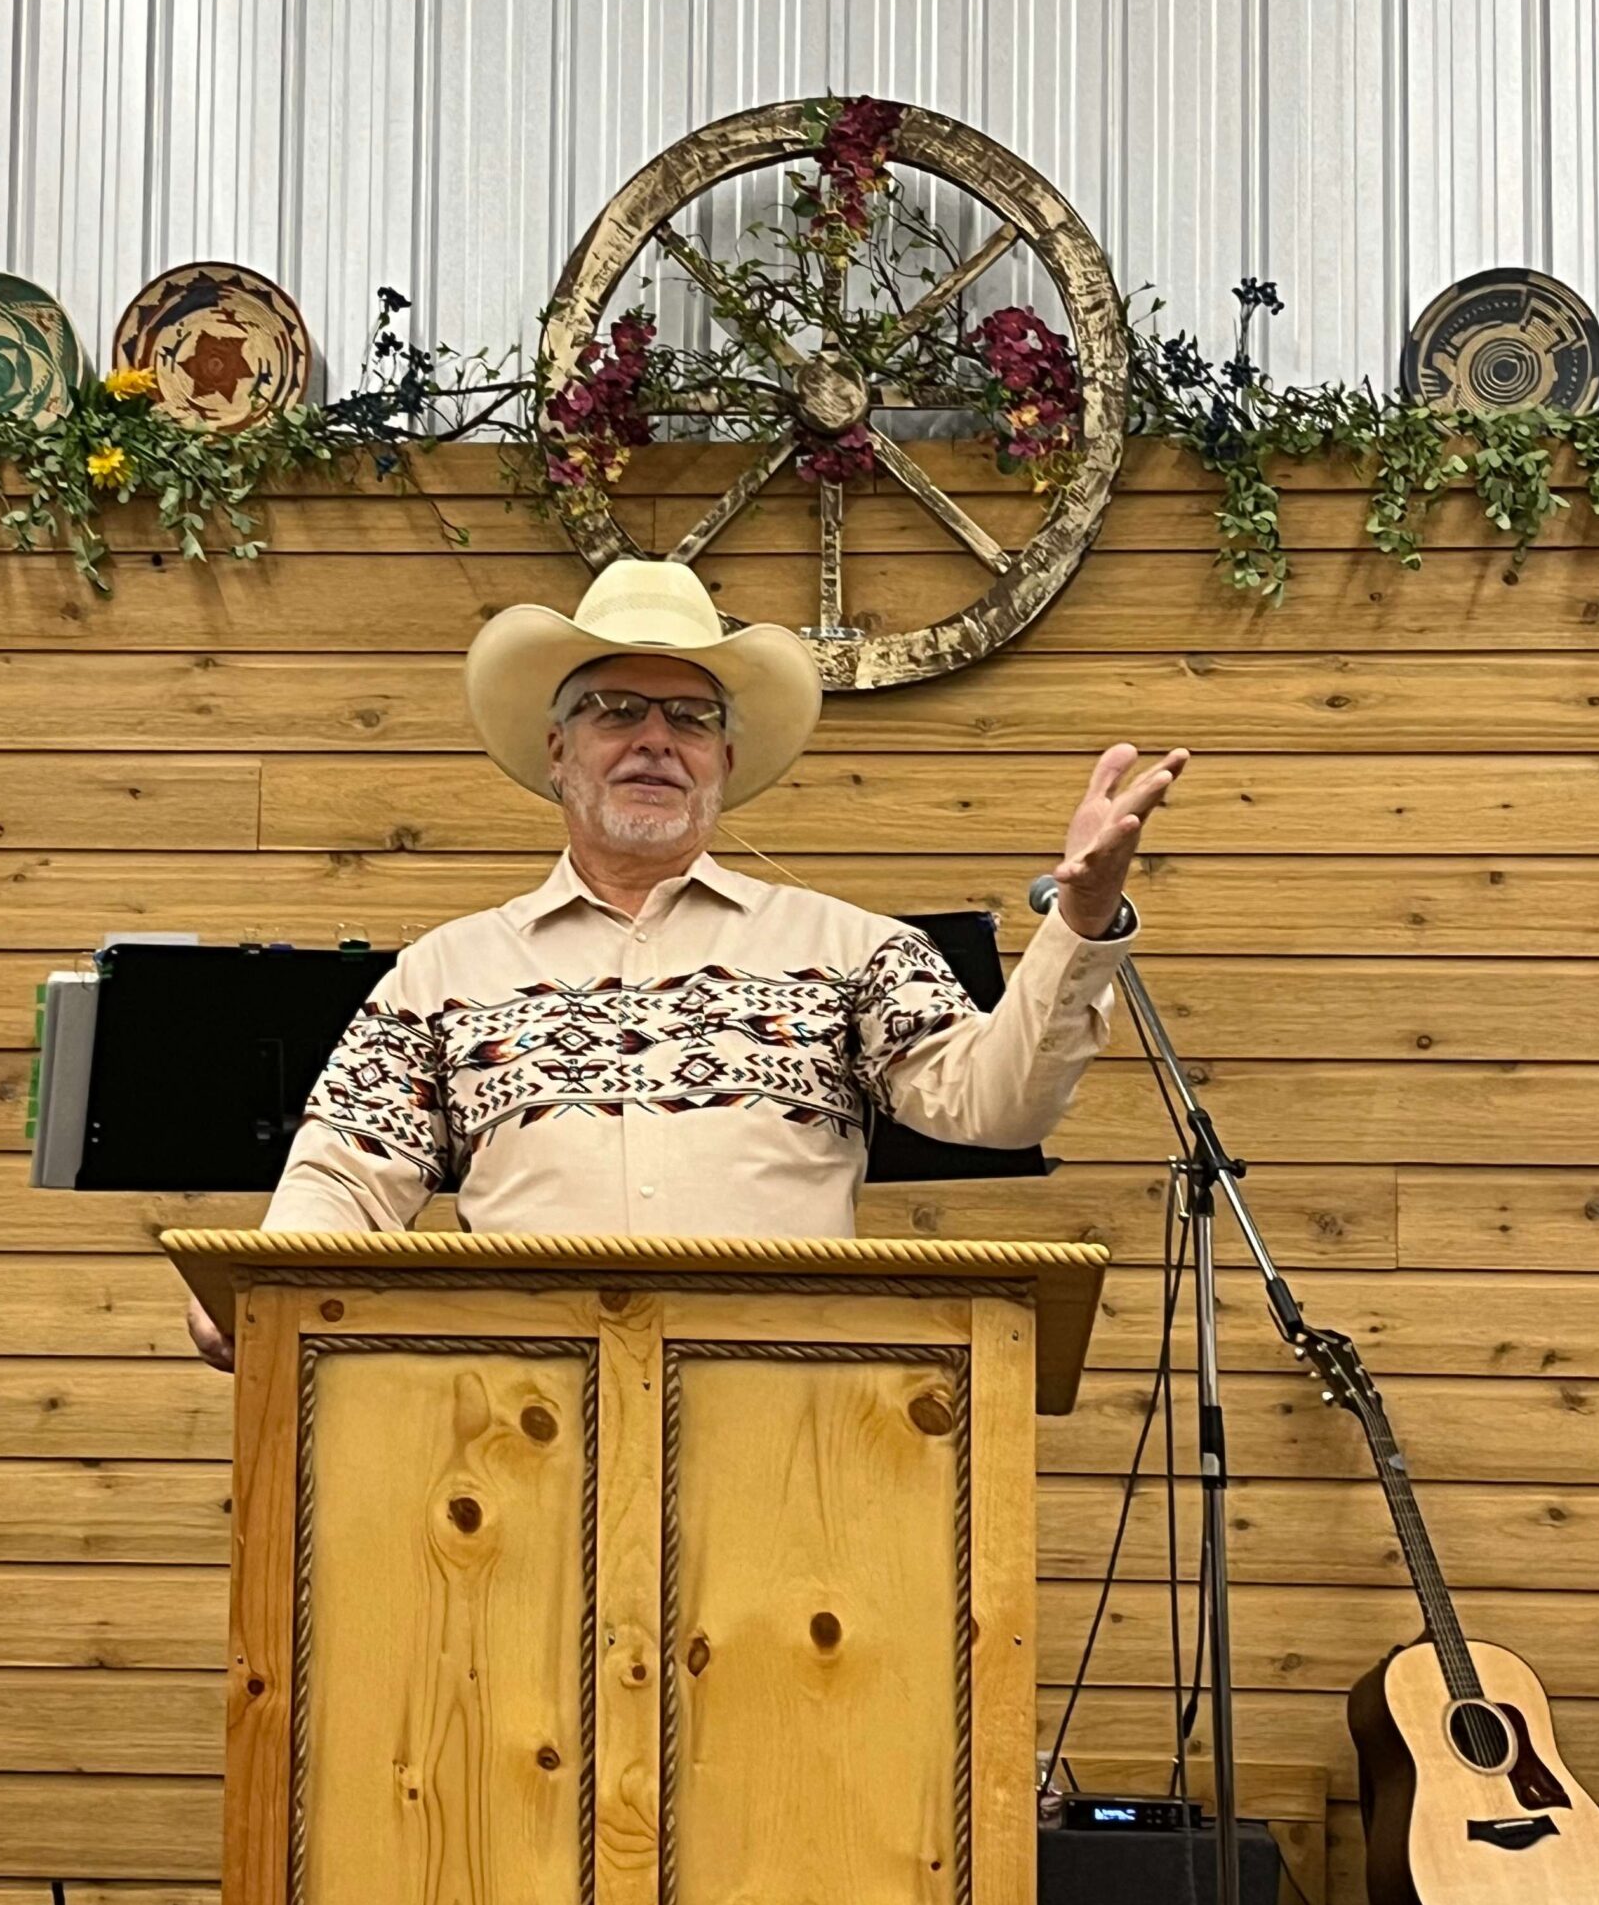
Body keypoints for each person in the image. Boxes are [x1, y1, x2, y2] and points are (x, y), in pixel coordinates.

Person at [188, 559, 1186, 1368]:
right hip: (515, 1435)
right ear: (557, 752)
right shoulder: (445, 973)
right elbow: (348, 1172)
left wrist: (1082, 921)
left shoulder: (852, 951)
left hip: (793, 1429)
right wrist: (265, 1284)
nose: (655, 741)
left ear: (726, 763)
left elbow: (998, 1104)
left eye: (691, 718)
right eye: (617, 710)